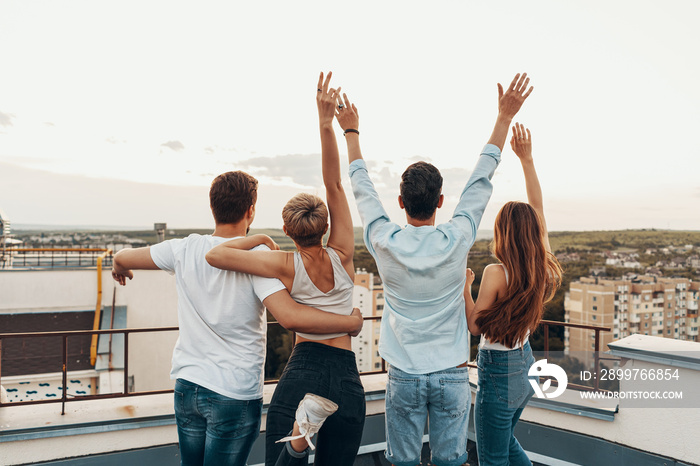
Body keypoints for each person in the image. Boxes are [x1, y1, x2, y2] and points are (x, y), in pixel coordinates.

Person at [337, 73, 533, 466]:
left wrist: (351, 132)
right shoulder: (457, 238)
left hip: (404, 375)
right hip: (452, 374)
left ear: (400, 201)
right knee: (450, 462)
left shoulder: (383, 240)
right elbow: (481, 181)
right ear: (441, 200)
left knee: (405, 462)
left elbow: (361, 188)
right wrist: (503, 118)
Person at [111, 168, 363, 466]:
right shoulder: (256, 261)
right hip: (233, 391)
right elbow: (291, 315)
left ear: (212, 207)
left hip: (188, 384)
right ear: (251, 210)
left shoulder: (183, 248)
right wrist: (350, 323)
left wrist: (119, 267)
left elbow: (123, 257)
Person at [205, 71, 365, 466]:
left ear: (288, 230)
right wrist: (330, 125)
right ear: (325, 226)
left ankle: (298, 442)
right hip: (347, 374)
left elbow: (215, 256)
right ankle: (301, 436)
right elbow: (335, 185)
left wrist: (257, 238)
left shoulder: (283, 264)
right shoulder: (342, 252)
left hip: (304, 367)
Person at [465, 123, 563, 466]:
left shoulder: (495, 272)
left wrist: (465, 287)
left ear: (502, 233)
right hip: (524, 365)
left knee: (492, 457)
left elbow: (475, 327)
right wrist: (527, 159)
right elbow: (538, 208)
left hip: (497, 370)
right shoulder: (542, 267)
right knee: (505, 444)